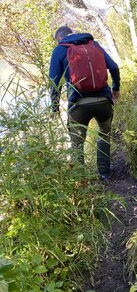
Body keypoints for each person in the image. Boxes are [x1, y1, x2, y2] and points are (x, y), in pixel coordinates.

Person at [49, 26, 120, 180]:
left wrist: (54, 108)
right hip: (104, 102)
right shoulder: (93, 44)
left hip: (78, 105)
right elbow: (114, 67)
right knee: (104, 134)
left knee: (77, 143)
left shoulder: (60, 50)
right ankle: (104, 173)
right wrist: (116, 88)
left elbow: (55, 82)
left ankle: (81, 180)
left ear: (59, 39)